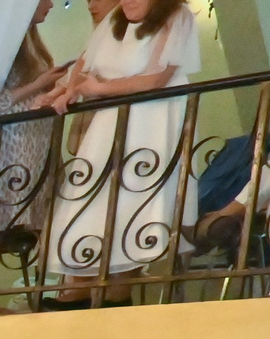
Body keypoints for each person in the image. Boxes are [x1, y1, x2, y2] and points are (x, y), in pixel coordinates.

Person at [47, 0, 199, 301]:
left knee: (134, 200)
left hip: (150, 123)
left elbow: (158, 78)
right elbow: (85, 64)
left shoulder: (175, 16)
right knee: (92, 198)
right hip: (109, 123)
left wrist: (101, 90)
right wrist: (67, 91)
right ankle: (80, 286)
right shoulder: (115, 19)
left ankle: (118, 292)